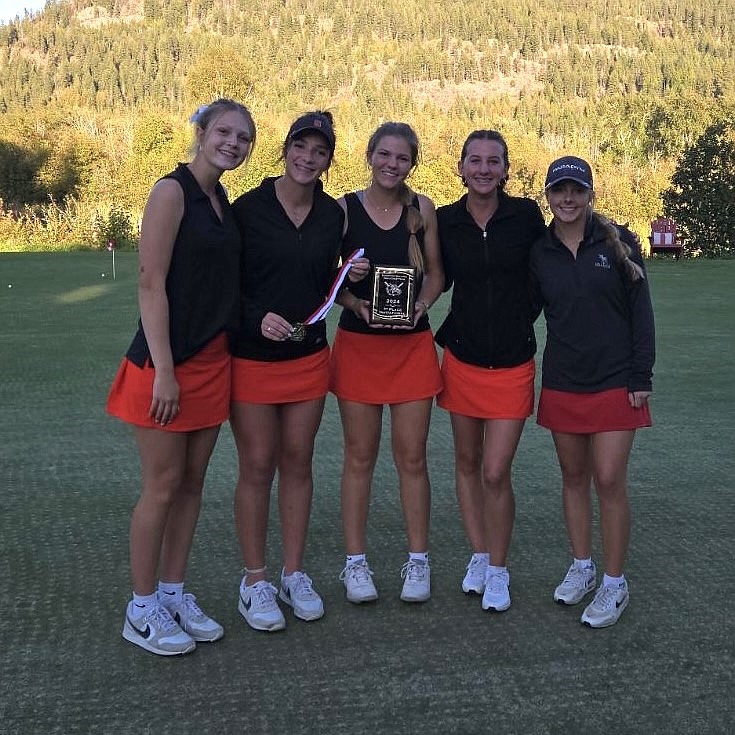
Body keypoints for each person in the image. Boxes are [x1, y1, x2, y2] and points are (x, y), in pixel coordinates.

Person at [107, 99, 256, 655]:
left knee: (192, 486)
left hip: (214, 363)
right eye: (224, 132)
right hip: (165, 366)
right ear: (201, 132)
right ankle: (140, 608)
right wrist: (165, 371)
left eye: (244, 138)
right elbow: (151, 283)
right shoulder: (170, 191)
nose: (233, 144)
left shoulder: (222, 200)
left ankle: (171, 593)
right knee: (162, 487)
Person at [229, 111, 367, 631]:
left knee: (299, 461)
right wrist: (251, 317)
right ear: (284, 149)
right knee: (258, 465)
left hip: (309, 358)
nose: (309, 158)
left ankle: (292, 573)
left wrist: (346, 274)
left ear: (329, 160)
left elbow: (318, 279)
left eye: (320, 151)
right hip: (252, 359)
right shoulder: (247, 209)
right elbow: (227, 283)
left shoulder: (333, 216)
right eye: (301, 147)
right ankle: (255, 580)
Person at [530, 155, 655, 628]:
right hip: (564, 380)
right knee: (573, 477)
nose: (568, 199)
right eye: (559, 190)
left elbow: (641, 313)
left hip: (617, 381)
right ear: (549, 195)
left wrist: (641, 375)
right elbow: (521, 304)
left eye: (576, 191)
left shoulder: (618, 242)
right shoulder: (540, 250)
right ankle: (582, 567)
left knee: (608, 479)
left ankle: (614, 582)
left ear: (589, 195)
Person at [331, 122, 444, 604]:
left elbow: (436, 273)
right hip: (358, 347)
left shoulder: (423, 209)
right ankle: (355, 564)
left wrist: (421, 304)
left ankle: (418, 561)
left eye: (402, 158)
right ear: (369, 155)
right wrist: (352, 297)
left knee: (412, 457)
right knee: (359, 457)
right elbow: (324, 277)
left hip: (411, 347)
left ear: (412, 164)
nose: (392, 164)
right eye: (384, 154)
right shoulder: (341, 209)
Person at [434, 130, 547, 613]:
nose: (483, 169)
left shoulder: (525, 216)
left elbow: (546, 272)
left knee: (496, 472)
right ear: (460, 167)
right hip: (461, 358)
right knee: (466, 463)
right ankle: (479, 554)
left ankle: (498, 571)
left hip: (513, 362)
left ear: (505, 169)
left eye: (493, 161)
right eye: (474, 160)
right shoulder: (444, 221)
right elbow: (433, 274)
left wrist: (522, 318)